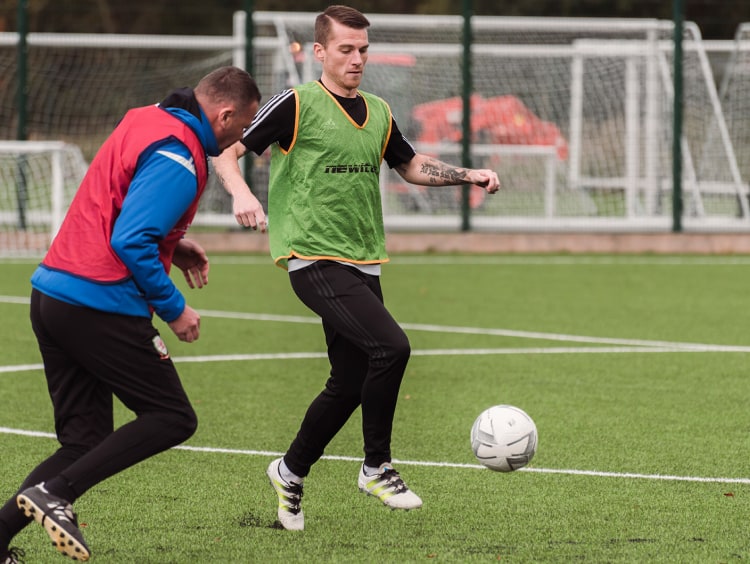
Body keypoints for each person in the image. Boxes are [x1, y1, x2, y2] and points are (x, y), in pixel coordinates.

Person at [212, 5, 500, 532]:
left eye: (363, 49)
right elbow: (227, 151)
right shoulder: (296, 103)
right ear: (320, 52)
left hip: (364, 260)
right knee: (392, 348)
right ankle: (375, 466)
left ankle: (290, 471)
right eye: (346, 49)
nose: (357, 59)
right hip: (311, 256)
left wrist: (469, 174)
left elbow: (411, 165)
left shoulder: (380, 111)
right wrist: (240, 194)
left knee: (348, 382)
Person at [0, 66, 261, 563]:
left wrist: (174, 243)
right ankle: (54, 495)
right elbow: (129, 239)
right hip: (99, 304)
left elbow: (119, 202)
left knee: (84, 441)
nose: (243, 138)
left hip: (53, 295)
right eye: (244, 127)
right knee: (172, 417)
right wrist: (175, 309)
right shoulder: (180, 154)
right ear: (224, 115)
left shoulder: (147, 118)